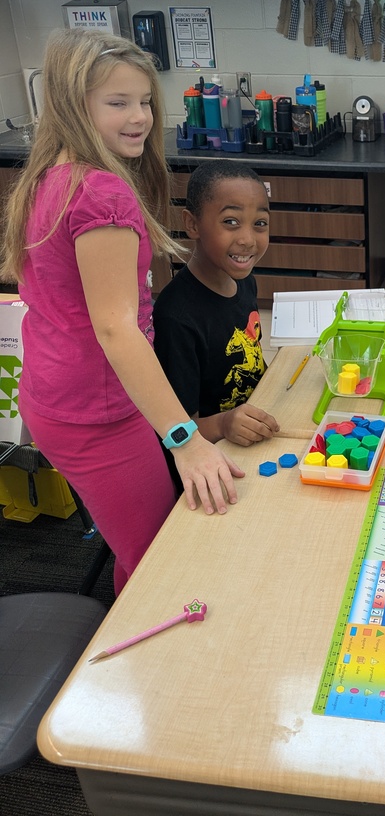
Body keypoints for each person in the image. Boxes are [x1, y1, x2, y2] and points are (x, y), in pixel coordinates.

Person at [0, 29, 244, 595]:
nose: (140, 118)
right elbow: (115, 326)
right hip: (97, 411)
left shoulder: (49, 176)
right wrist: (185, 439)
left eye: (145, 103)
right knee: (160, 557)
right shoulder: (101, 194)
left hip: (51, 395)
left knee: (141, 534)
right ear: (71, 103)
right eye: (118, 104)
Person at [152, 160, 279, 452]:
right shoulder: (176, 317)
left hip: (253, 435)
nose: (248, 239)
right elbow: (175, 428)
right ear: (192, 224)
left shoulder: (245, 281)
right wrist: (223, 424)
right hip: (213, 454)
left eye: (259, 223)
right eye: (230, 222)